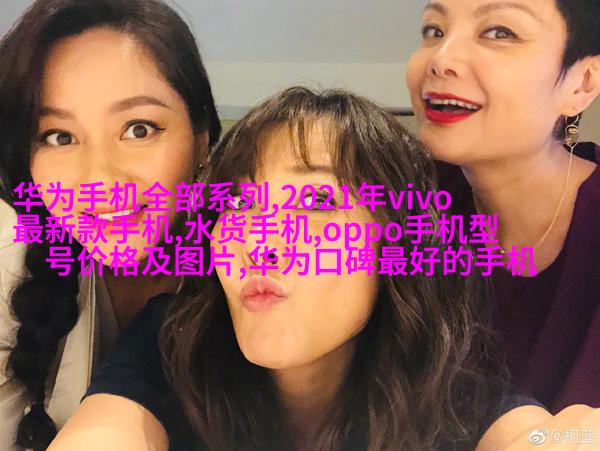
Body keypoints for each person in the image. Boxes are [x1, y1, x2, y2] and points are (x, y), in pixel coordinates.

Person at [49, 87, 557, 451]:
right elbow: (104, 431)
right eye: (239, 202)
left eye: (315, 202)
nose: (259, 242)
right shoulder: (173, 342)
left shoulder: (448, 386)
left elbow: (535, 435)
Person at [0, 0, 220, 449]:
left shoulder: (259, 267)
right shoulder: (12, 269)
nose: (99, 181)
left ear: (201, 140)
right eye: (59, 136)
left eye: (138, 129)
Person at [406, 0, 600, 412]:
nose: (441, 59)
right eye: (434, 31)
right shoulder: (407, 203)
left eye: (500, 33)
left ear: (582, 84)